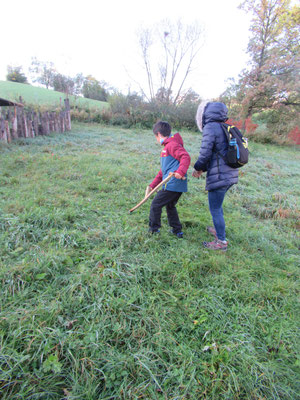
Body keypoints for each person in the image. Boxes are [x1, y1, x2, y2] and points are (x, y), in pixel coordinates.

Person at [192, 101, 238, 251]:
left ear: (205, 114)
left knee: (215, 209)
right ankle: (219, 231)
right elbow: (216, 154)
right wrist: (203, 169)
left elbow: (205, 153)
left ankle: (221, 242)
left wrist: (197, 168)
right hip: (229, 174)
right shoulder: (224, 127)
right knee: (218, 207)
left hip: (220, 177)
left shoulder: (211, 127)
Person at [147, 121, 191, 238]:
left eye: (156, 137)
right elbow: (163, 171)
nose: (156, 140)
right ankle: (177, 231)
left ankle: (153, 230)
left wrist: (180, 172)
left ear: (159, 134)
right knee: (170, 206)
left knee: (155, 204)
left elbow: (185, 157)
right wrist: (152, 185)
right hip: (176, 185)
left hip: (173, 184)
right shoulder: (167, 147)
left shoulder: (172, 145)